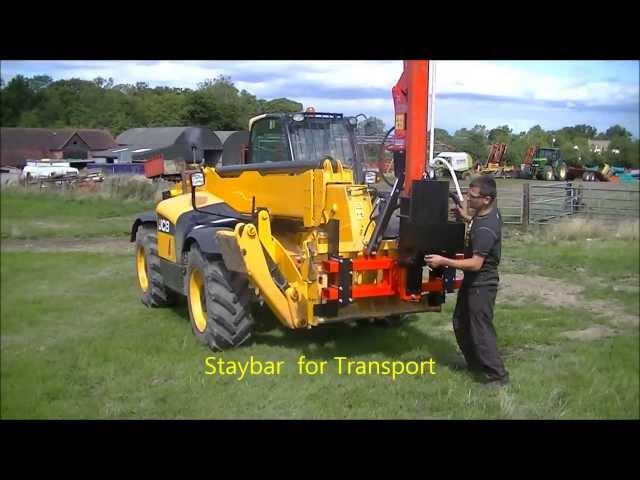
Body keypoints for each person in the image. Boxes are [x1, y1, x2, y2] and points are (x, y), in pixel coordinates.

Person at [425, 175, 509, 387]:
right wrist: (466, 218)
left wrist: (444, 260)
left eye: (472, 197)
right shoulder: (485, 216)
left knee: (481, 329)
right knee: (460, 323)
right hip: (474, 282)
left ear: (486, 199)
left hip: (482, 283)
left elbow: (475, 264)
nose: (468, 199)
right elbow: (476, 224)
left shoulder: (485, 229)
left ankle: (497, 376)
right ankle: (475, 364)